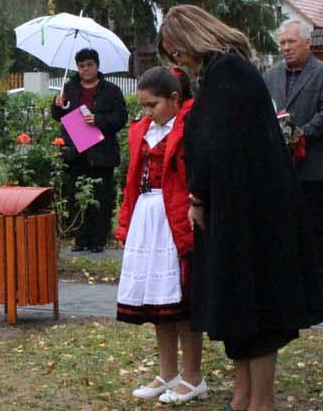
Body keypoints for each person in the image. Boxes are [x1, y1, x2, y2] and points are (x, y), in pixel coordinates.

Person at [159, 4, 323, 411]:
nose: (178, 62)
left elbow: (219, 145)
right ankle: (242, 397)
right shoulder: (223, 73)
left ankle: (260, 401)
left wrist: (197, 197)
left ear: (190, 40)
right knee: (237, 305)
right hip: (238, 209)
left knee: (257, 306)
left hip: (251, 214)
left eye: (177, 53)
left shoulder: (228, 74)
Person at [115, 66, 207, 403]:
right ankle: (168, 373)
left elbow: (195, 176)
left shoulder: (189, 129)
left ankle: (194, 376)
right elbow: (131, 181)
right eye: (142, 106)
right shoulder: (141, 131)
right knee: (158, 302)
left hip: (175, 219)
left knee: (182, 302)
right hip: (147, 216)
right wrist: (125, 224)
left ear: (174, 99)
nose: (146, 112)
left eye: (152, 105)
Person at [262, 19, 323, 287]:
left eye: (291, 42)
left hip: (311, 166)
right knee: (282, 225)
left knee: (313, 225)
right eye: (282, 42)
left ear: (308, 42)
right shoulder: (270, 76)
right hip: (278, 166)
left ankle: (317, 279)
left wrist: (300, 135)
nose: (285, 47)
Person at [52, 47, 128, 252]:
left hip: (102, 152)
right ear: (77, 67)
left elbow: (121, 118)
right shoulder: (69, 88)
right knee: (77, 196)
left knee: (101, 197)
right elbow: (58, 115)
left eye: (89, 65)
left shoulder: (111, 90)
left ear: (97, 66)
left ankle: (98, 240)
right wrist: (58, 105)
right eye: (81, 66)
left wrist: (99, 120)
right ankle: (80, 239)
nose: (85, 69)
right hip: (75, 152)